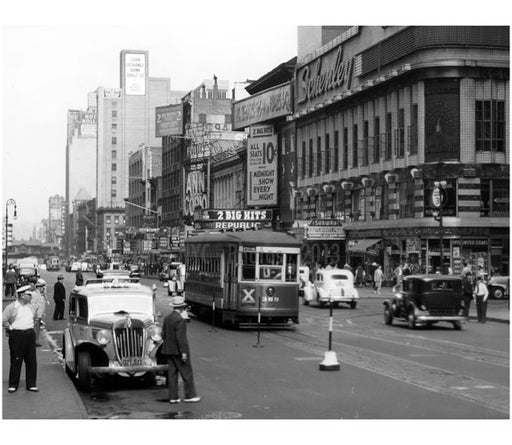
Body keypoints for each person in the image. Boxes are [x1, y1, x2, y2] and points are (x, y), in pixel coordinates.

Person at [161, 296, 201, 404]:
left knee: (172, 374)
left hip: (168, 351)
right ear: (182, 307)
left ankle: (173, 397)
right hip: (178, 352)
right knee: (187, 373)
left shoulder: (167, 319)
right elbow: (181, 338)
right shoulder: (180, 320)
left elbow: (163, 335)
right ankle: (190, 395)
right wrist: (184, 352)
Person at [2, 285, 39, 393]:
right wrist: (10, 327)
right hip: (17, 335)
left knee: (31, 360)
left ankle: (31, 384)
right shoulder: (11, 307)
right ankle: (13, 384)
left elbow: (35, 317)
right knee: (16, 359)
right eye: (28, 295)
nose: (30, 296)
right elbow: (3, 319)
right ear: (22, 296)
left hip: (29, 334)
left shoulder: (31, 306)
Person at [32, 279, 49, 346]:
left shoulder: (40, 295)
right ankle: (35, 341)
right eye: (42, 288)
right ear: (39, 288)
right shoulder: (35, 295)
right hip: (36, 316)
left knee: (37, 329)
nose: (43, 289)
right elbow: (34, 305)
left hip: (39, 316)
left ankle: (36, 341)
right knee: (35, 329)